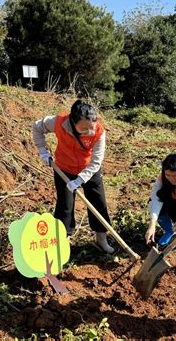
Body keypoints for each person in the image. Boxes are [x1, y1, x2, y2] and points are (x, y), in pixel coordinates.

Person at [32, 99, 114, 254]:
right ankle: (62, 241)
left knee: (98, 202)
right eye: (84, 128)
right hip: (64, 168)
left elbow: (96, 161)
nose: (89, 131)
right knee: (65, 206)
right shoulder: (58, 122)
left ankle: (101, 239)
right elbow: (37, 127)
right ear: (72, 121)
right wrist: (42, 150)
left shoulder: (99, 132)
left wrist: (80, 179)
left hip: (89, 169)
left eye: (91, 127)